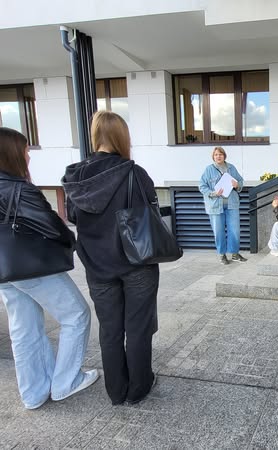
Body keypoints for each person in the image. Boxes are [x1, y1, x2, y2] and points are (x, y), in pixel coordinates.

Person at [62, 111, 160, 405]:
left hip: (97, 264)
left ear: (95, 136)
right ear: (122, 137)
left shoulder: (75, 176)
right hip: (136, 261)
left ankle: (116, 391)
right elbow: (151, 213)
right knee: (138, 327)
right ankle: (139, 388)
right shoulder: (134, 173)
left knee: (110, 329)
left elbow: (74, 217)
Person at [0, 127, 98, 410]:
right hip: (31, 267)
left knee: (24, 329)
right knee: (76, 314)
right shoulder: (19, 189)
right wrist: (72, 242)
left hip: (4, 270)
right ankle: (66, 381)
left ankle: (33, 393)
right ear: (12, 154)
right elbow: (53, 227)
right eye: (25, 150)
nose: (29, 156)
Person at [199, 147, 247, 265]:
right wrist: (213, 193)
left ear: (224, 156)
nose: (218, 156)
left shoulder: (231, 168)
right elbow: (202, 186)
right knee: (218, 231)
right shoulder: (209, 170)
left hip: (232, 204)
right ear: (213, 157)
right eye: (216, 155)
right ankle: (222, 255)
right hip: (215, 206)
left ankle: (235, 254)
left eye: (220, 154)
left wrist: (237, 185)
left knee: (234, 230)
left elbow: (240, 181)